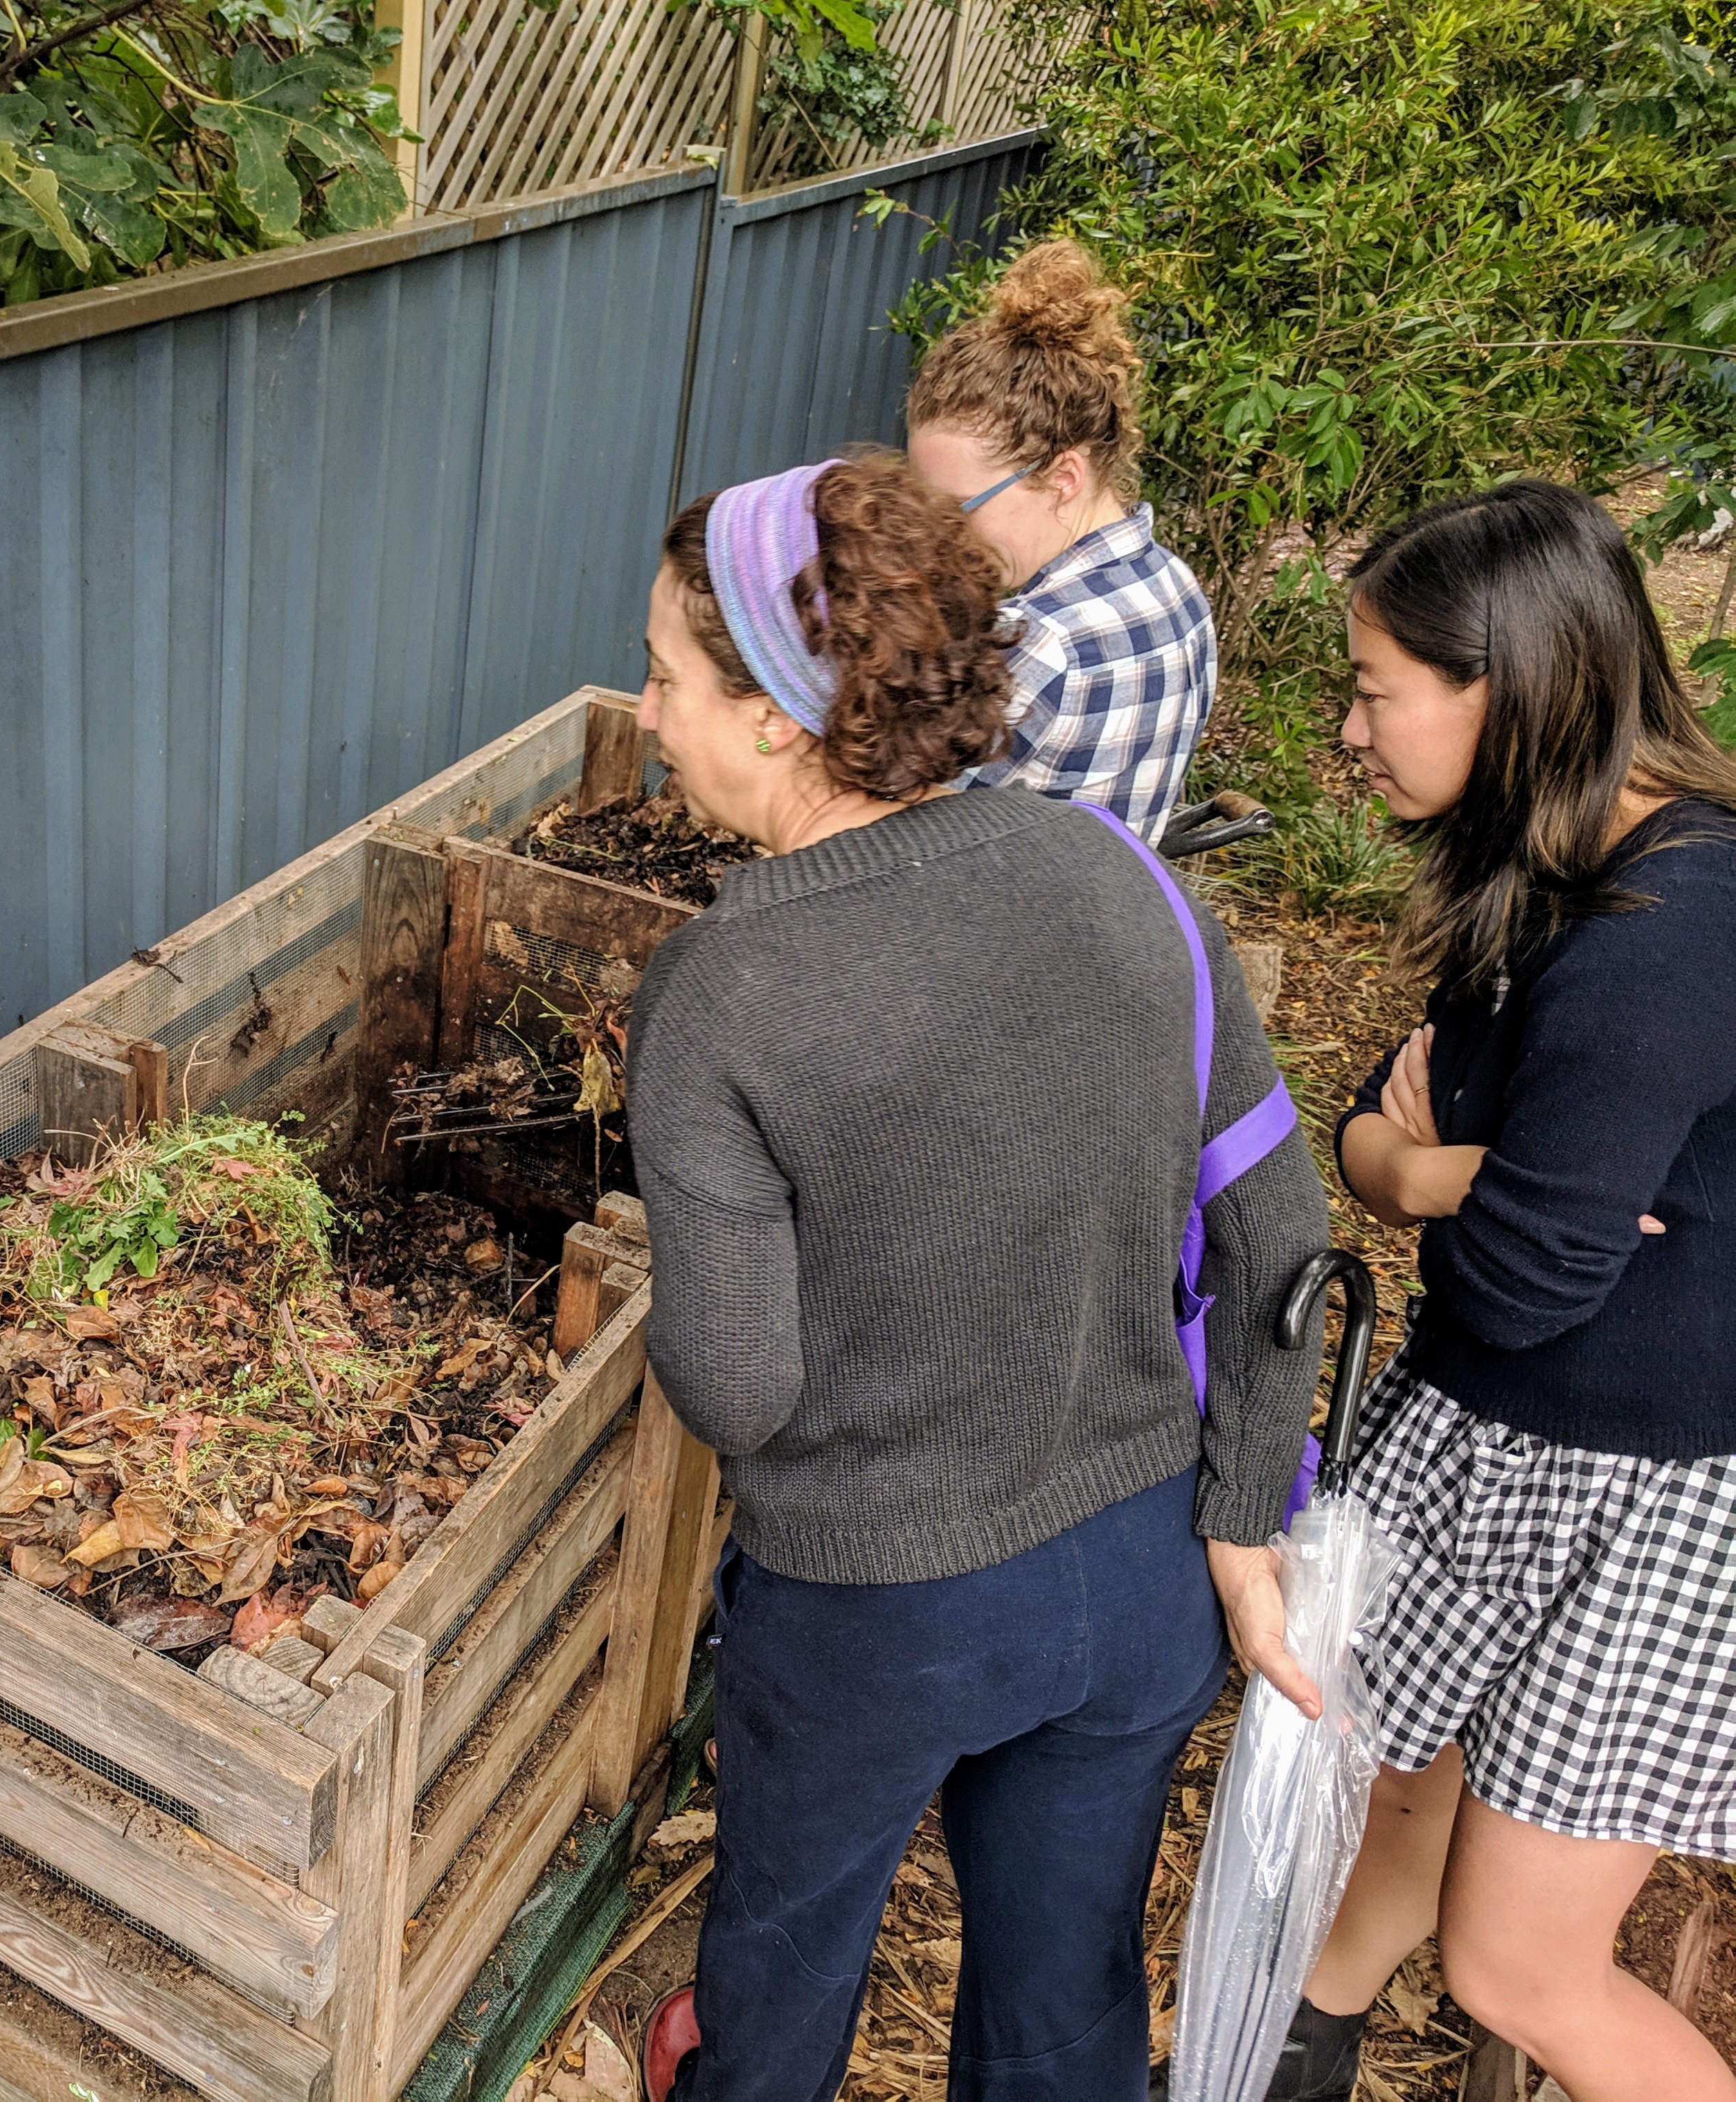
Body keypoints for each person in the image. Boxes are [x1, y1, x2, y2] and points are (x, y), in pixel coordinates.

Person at [623, 453, 1327, 2102]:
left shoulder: (720, 986)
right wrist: (1238, 1518)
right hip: (1137, 1574)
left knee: (783, 1975)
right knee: (1064, 2000)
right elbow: (1281, 1228)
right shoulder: (1127, 878)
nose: (646, 713)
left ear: (781, 713)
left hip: (872, 1610)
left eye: (666, 676)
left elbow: (739, 1385)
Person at [1253, 482, 1736, 2102]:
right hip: (1506, 1445)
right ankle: (1283, 2042)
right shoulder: (1556, 873)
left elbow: (1534, 1277)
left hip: (1635, 1493)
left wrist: (1455, 1176)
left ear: (1509, 684)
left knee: (1516, 1965)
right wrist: (1420, 1173)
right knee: (1398, 1790)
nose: (1346, 727)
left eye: (1376, 687)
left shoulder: (1667, 928)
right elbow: (1386, 1107)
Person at [906, 241, 1218, 842]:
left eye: (957, 511)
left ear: (1062, 478)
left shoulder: (1040, 643)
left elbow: (908, 846)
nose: (938, 539)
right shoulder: (1177, 588)